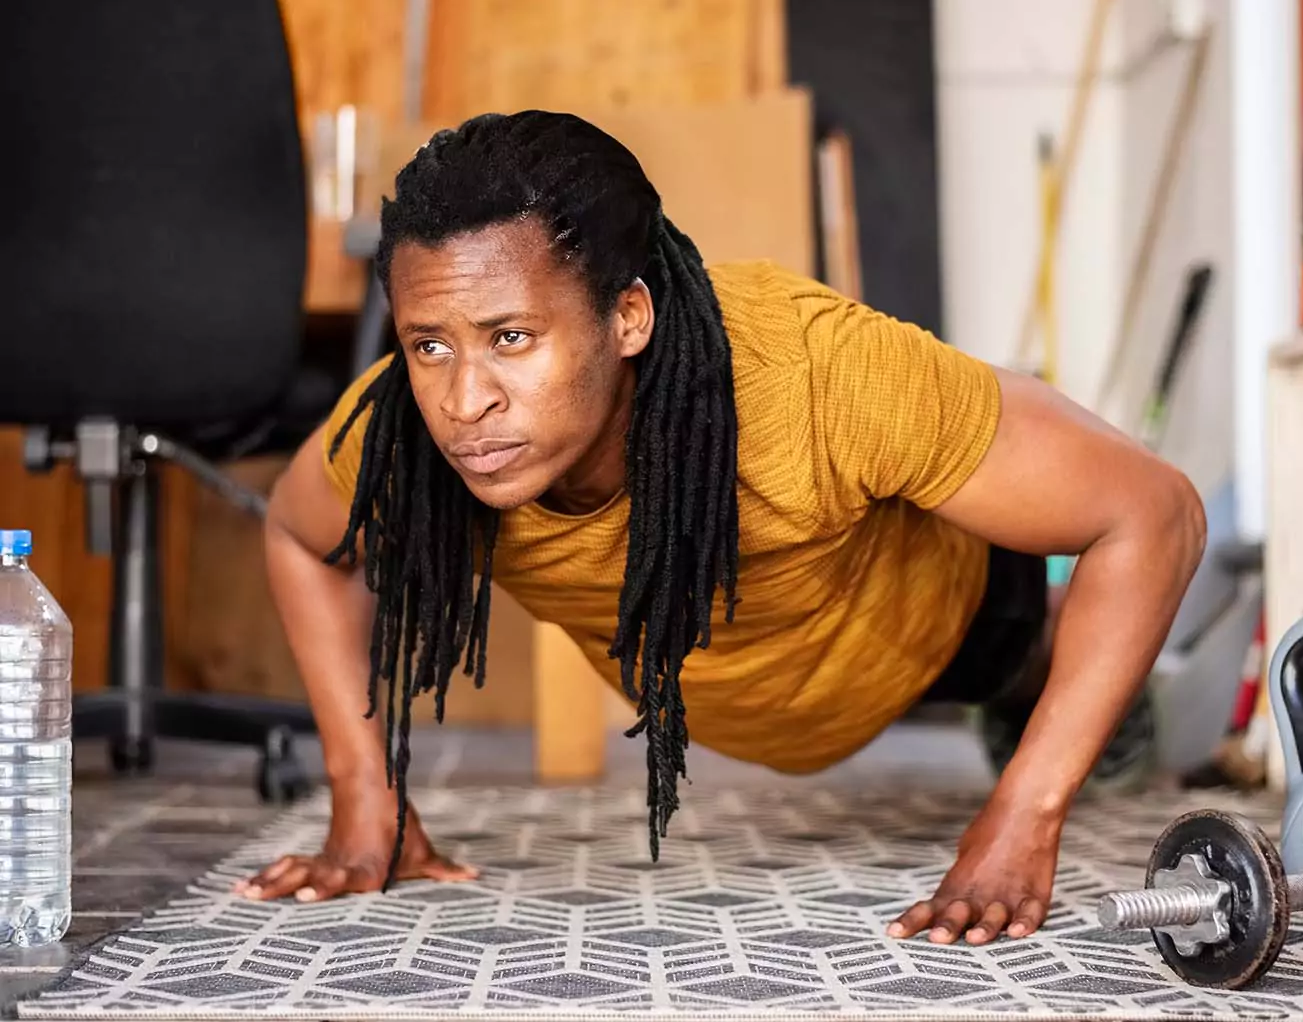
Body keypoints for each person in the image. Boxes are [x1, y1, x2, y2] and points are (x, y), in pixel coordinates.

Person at [232, 110, 1206, 948]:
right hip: (740, 691)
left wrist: (1028, 810)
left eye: (512, 337)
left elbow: (1152, 511)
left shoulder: (825, 376)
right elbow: (298, 536)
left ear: (628, 316)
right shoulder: (403, 431)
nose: (463, 399)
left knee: (1029, 656)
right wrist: (366, 794)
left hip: (936, 628)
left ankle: (1066, 676)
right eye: (429, 345)